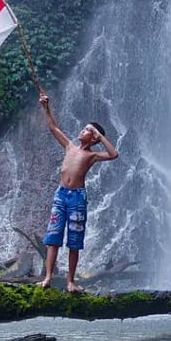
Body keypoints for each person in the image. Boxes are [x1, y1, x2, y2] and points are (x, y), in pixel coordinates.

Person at [37, 89, 119, 292]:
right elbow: (53, 128)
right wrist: (46, 108)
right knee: (53, 237)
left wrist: (99, 134)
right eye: (84, 128)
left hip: (77, 198)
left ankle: (70, 282)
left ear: (94, 138)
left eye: (87, 130)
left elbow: (114, 154)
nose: (82, 131)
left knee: (74, 240)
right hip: (61, 194)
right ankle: (47, 278)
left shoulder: (92, 155)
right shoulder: (70, 147)